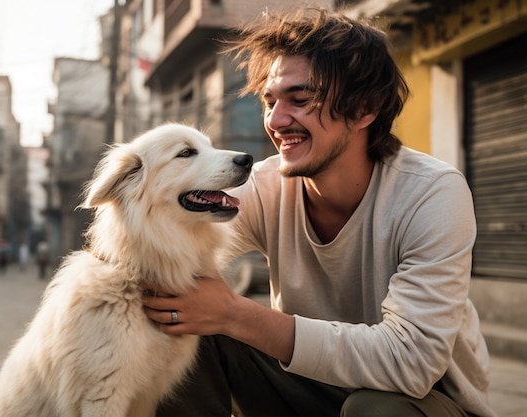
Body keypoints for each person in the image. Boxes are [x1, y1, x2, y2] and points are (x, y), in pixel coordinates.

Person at [141, 7, 496, 417]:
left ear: (365, 108)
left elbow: (411, 362)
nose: (275, 120)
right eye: (269, 101)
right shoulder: (264, 186)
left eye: (301, 100)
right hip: (304, 390)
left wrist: (236, 314)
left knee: (375, 410)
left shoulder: (432, 194)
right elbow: (154, 249)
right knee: (182, 317)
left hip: (421, 403)